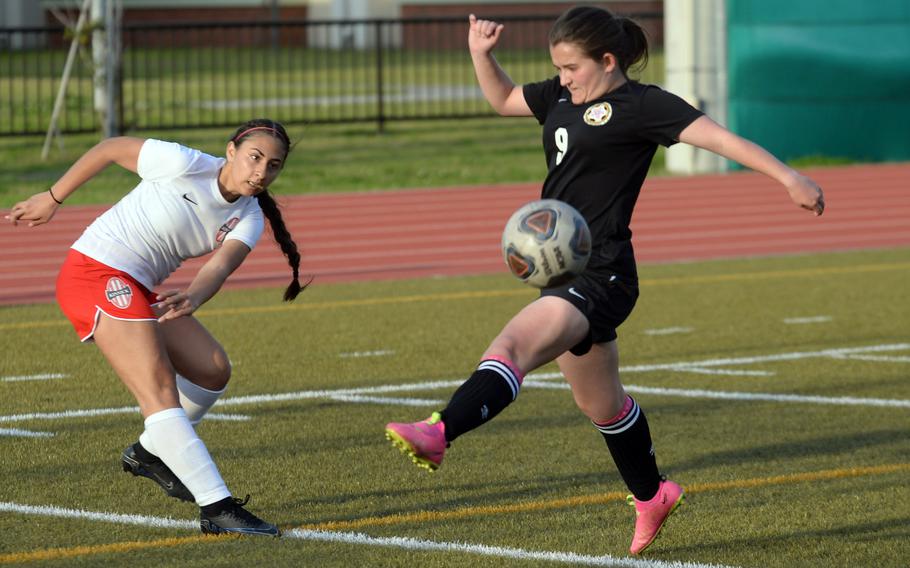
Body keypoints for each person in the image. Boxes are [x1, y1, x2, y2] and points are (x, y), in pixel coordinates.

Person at [385, 7, 825, 556]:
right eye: (558, 68)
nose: (563, 78)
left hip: (605, 270)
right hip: (565, 273)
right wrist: (481, 53)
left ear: (608, 61)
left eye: (571, 67)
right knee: (602, 405)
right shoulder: (561, 97)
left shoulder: (644, 106)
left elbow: (721, 140)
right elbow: (503, 100)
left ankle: (440, 431)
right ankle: (653, 495)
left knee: (513, 346)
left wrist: (789, 176)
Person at [6, 118, 304, 536]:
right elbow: (109, 148)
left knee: (212, 368)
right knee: (160, 389)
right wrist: (53, 197)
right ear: (231, 151)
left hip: (137, 287)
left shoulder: (249, 218)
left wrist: (195, 297)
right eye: (254, 158)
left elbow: (219, 267)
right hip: (94, 271)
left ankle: (147, 453)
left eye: (273, 166)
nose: (261, 172)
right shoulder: (183, 163)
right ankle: (217, 506)